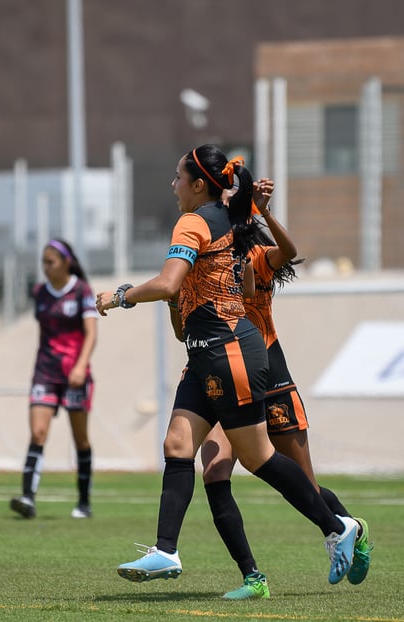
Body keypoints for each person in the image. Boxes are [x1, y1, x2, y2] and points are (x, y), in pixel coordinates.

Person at [95, 144, 358, 594]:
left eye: (178, 177)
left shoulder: (195, 220)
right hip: (204, 353)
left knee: (258, 458)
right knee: (177, 443)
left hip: (230, 349)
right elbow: (183, 301)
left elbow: (168, 282)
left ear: (199, 185)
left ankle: (336, 526)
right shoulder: (218, 217)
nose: (173, 185)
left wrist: (119, 297)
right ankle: (166, 551)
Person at [198, 180, 373, 599]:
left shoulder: (254, 256)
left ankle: (351, 531)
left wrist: (263, 213)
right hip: (225, 374)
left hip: (269, 374)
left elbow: (289, 254)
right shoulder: (204, 259)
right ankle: (252, 577)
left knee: (305, 487)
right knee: (214, 470)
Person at [10, 239, 97, 519]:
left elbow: (91, 333)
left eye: (51, 262)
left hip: (75, 374)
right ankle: (27, 498)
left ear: (66, 262)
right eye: (43, 263)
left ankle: (83, 502)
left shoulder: (81, 291)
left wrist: (81, 365)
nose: (46, 268)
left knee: (80, 439)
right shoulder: (40, 292)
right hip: (45, 372)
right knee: (37, 433)